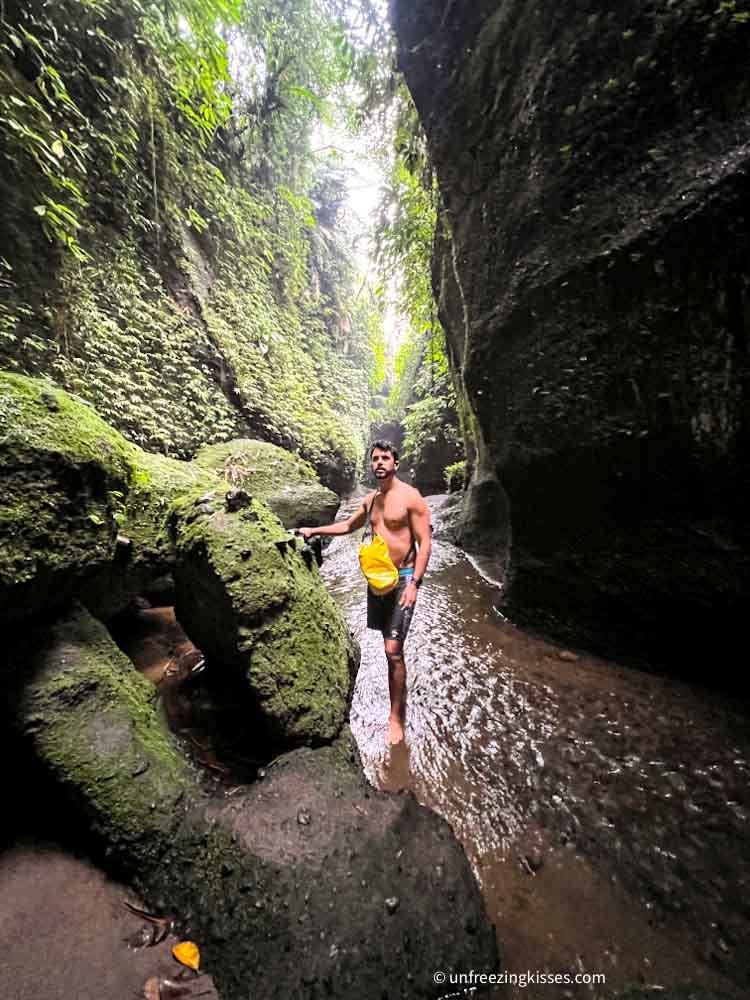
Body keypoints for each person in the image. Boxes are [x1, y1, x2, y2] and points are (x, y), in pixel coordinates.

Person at [299, 440, 432, 745]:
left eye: (385, 457)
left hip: (404, 578)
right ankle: (398, 703)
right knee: (388, 648)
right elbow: (347, 526)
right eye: (375, 459)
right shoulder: (372, 501)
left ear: (395, 463)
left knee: (393, 650)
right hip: (378, 581)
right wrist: (315, 530)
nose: (380, 463)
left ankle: (396, 719)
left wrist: (414, 584)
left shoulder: (411, 498)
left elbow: (425, 543)